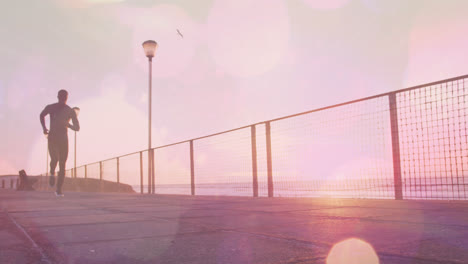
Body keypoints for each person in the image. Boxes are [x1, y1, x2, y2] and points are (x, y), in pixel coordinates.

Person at [40, 90, 80, 197]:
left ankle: (58, 189)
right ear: (59, 97)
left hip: (60, 138)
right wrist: (44, 128)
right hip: (55, 137)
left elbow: (77, 128)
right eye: (62, 96)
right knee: (57, 160)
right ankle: (53, 174)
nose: (63, 98)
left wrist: (67, 124)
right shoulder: (52, 107)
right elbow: (41, 115)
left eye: (64, 97)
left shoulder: (69, 110)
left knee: (61, 163)